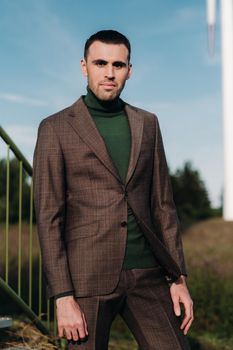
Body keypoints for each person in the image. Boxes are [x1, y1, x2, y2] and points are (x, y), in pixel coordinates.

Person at [33, 29, 193, 350]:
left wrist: (178, 279)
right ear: (84, 66)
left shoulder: (147, 123)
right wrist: (63, 296)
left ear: (129, 70)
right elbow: (49, 217)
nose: (109, 73)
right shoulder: (56, 128)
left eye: (118, 65)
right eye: (100, 63)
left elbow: (163, 204)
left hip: (148, 273)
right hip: (86, 280)